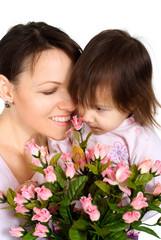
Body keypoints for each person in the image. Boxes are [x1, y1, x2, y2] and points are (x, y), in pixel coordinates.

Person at [50, 29, 161, 240]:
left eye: (100, 108)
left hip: (113, 231)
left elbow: (155, 191)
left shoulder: (139, 138)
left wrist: (126, 218)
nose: (87, 115)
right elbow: (57, 153)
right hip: (69, 223)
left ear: (131, 101)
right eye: (82, 101)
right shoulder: (78, 124)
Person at [0, 21, 81, 239]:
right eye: (49, 90)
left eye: (74, 87)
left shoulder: (81, 151)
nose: (71, 104)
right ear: (6, 90)